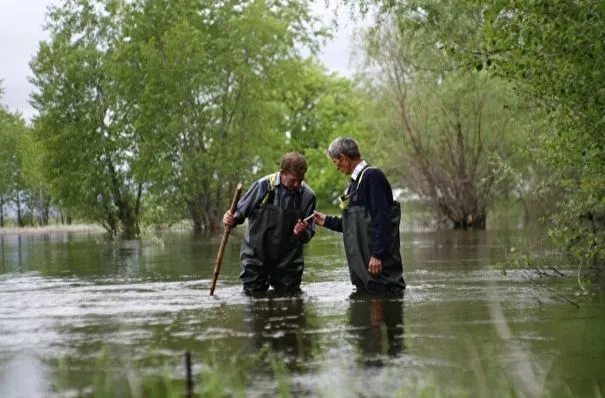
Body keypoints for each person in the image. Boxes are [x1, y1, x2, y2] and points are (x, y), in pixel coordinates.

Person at [313, 137, 406, 294]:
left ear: (344, 158)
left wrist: (377, 255)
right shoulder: (352, 185)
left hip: (379, 273)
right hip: (365, 275)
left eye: (336, 163)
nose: (337, 168)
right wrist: (325, 221)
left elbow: (382, 220)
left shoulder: (372, 177)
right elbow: (353, 226)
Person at [223, 152, 316, 294]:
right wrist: (231, 219)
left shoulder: (308, 196)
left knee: (290, 303)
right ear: (282, 173)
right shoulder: (263, 186)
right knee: (253, 299)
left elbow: (308, 234)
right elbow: (239, 214)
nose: (297, 184)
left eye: (301, 180)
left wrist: (301, 233)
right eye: (293, 180)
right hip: (256, 255)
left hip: (288, 261)